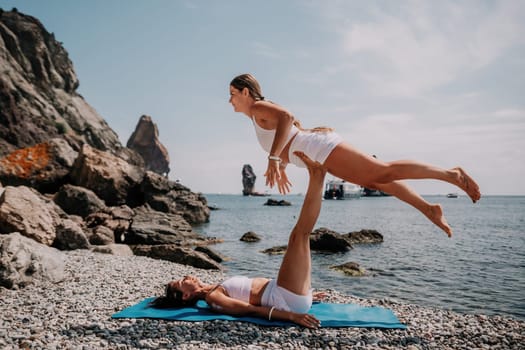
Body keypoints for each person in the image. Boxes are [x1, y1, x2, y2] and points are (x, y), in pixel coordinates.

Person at [229, 73, 481, 237]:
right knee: (378, 180)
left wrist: (274, 159)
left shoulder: (259, 107)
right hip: (319, 153)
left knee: (383, 170)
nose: (230, 101)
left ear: (246, 93)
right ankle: (428, 209)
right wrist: (281, 165)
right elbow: (286, 135)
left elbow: (287, 117)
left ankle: (451, 174)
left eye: (232, 94)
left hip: (321, 149)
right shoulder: (256, 117)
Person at [151, 151, 327, 328]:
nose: (188, 276)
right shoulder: (213, 298)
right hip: (285, 298)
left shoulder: (214, 288)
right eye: (183, 281)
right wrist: (292, 316)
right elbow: (251, 310)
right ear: (186, 296)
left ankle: (318, 176)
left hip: (287, 292)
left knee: (301, 236)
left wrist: (307, 294)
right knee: (299, 235)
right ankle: (317, 176)